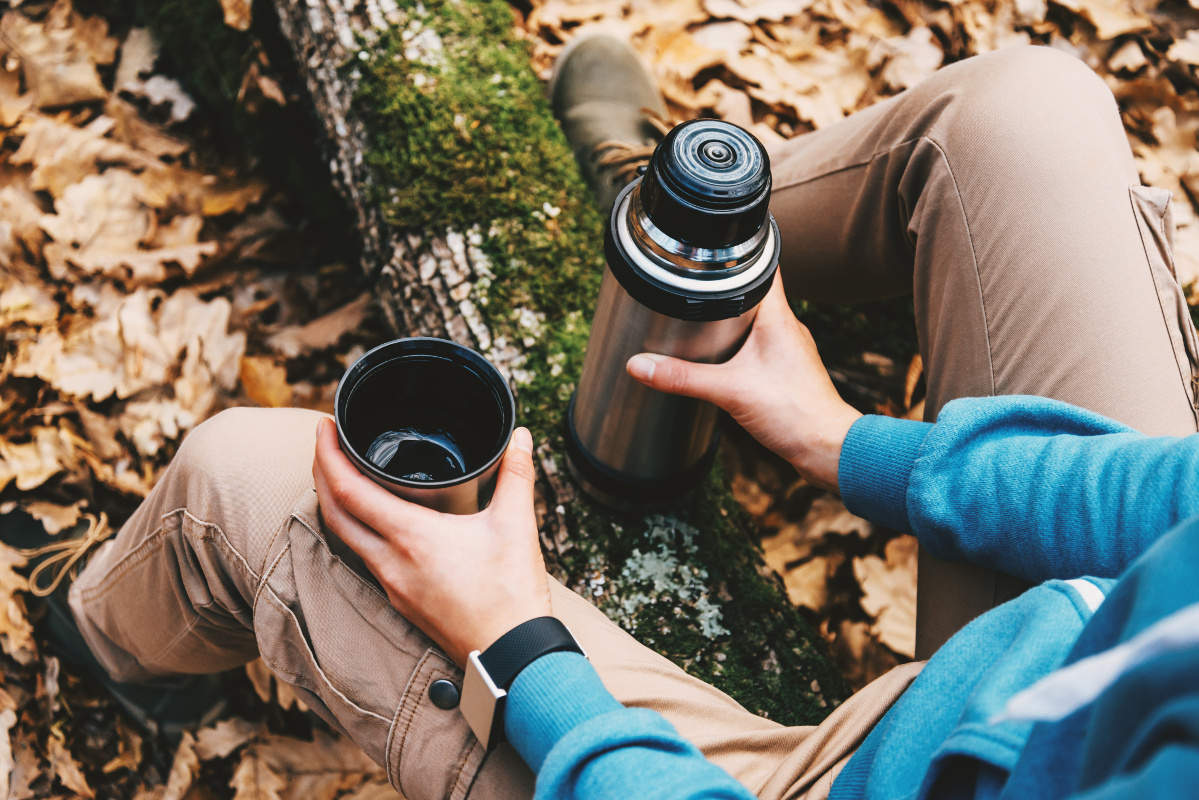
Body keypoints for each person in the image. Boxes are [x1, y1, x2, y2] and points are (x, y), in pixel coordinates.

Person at [8, 32, 1199, 800]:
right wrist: (853, 445)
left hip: (882, 777)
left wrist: (523, 647)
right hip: (1061, 655)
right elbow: (1173, 507)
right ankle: (671, 234)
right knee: (1022, 111)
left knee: (237, 481)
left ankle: (103, 657)